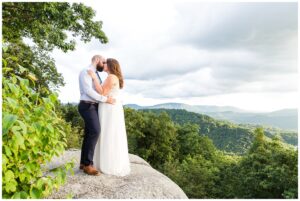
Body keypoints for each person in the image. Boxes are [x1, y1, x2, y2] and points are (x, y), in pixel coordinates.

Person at [88, 58, 131, 176]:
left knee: (108, 133)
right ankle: (106, 161)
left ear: (110, 65)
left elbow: (102, 92)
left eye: (106, 62)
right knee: (109, 133)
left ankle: (108, 164)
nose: (103, 64)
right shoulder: (112, 77)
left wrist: (94, 77)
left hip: (109, 109)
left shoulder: (111, 77)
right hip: (109, 107)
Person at [78, 55, 115, 176]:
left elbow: (100, 89)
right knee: (95, 131)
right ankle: (89, 165)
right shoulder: (86, 71)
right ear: (97, 60)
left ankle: (83, 163)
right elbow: (88, 91)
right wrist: (105, 99)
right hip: (87, 106)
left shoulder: (95, 73)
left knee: (89, 133)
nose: (104, 65)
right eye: (103, 62)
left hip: (93, 106)